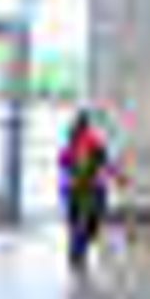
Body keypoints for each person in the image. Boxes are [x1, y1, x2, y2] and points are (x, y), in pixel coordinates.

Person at [56, 102, 111, 279]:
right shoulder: (74, 146)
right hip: (83, 189)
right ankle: (77, 255)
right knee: (82, 223)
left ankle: (78, 253)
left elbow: (102, 164)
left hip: (86, 189)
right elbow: (65, 166)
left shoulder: (93, 144)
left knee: (82, 223)